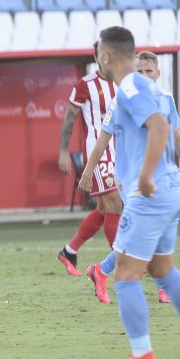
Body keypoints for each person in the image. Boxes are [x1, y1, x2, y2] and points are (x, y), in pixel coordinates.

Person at [89, 26, 180, 359]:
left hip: (151, 192)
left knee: (127, 277)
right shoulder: (149, 89)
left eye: (98, 52)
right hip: (173, 189)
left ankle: (142, 356)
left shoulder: (129, 87)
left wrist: (145, 175)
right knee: (162, 270)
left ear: (106, 56)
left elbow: (160, 129)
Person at [80, 51, 180, 305]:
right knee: (148, 228)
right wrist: (88, 171)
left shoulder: (166, 99)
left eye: (149, 71)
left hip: (160, 177)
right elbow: (103, 138)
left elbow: (176, 136)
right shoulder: (121, 101)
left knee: (143, 231)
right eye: (139, 72)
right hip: (128, 178)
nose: (144, 76)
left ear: (158, 74)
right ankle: (161, 285)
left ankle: (100, 271)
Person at [55, 43, 121, 277]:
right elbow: (70, 118)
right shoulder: (85, 85)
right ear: (96, 57)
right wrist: (64, 151)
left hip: (121, 152)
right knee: (114, 204)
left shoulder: (123, 82)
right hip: (98, 153)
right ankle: (120, 261)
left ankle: (69, 251)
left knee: (106, 209)